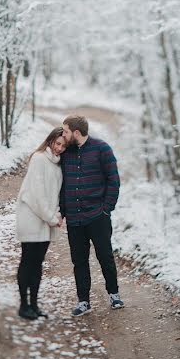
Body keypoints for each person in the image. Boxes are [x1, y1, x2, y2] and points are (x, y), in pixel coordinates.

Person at [59, 115, 124, 317]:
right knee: (79, 260)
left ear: (76, 133)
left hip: (98, 216)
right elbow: (61, 185)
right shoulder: (66, 153)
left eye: (66, 131)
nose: (63, 134)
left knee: (105, 256)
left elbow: (114, 181)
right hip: (74, 218)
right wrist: (62, 211)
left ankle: (114, 294)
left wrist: (106, 209)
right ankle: (83, 301)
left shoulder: (102, 149)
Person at [15, 127, 67, 320]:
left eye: (63, 145)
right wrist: (52, 218)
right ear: (50, 140)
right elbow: (36, 196)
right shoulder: (39, 159)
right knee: (27, 261)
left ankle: (34, 305)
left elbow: (55, 195)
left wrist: (57, 214)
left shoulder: (58, 165)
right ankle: (23, 305)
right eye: (57, 143)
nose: (59, 148)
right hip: (31, 218)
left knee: (37, 264)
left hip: (45, 221)